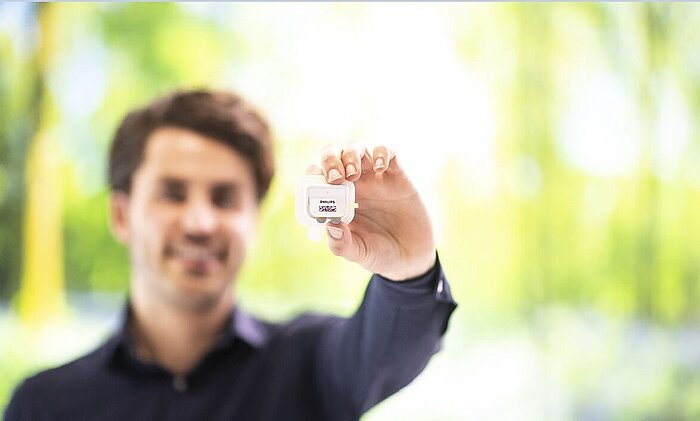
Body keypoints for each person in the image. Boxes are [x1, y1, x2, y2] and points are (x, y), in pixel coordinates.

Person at [5, 90, 456, 421]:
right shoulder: (44, 406)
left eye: (224, 198)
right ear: (122, 215)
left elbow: (392, 347)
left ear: (254, 220)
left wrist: (408, 270)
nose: (200, 223)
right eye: (172, 194)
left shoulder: (310, 362)